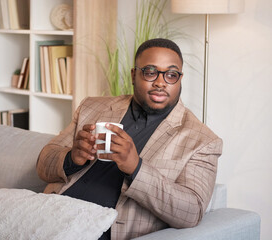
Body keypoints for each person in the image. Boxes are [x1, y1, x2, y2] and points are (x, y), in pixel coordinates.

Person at [36, 38, 223, 239]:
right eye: (150, 72)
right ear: (134, 75)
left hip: (103, 232)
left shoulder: (202, 141)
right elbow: (43, 164)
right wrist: (71, 158)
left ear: (179, 79)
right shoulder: (92, 107)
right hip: (49, 218)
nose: (160, 82)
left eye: (171, 75)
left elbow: (192, 212)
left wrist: (136, 168)